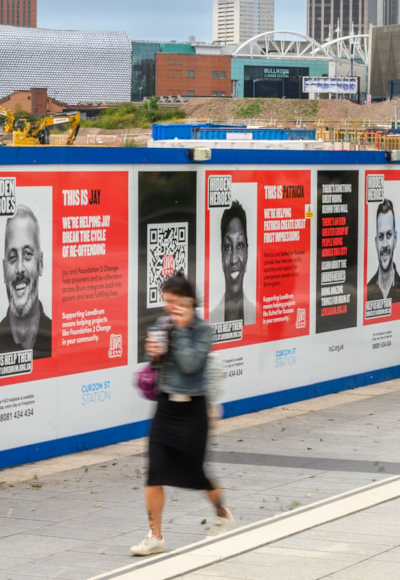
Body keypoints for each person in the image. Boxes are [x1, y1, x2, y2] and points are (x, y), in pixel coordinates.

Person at [130, 274, 234, 556]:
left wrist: (183, 329)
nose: (169, 308)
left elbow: (189, 365)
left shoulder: (200, 330)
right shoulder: (163, 325)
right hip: (165, 408)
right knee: (154, 471)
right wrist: (153, 354)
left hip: (192, 410)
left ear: (189, 302)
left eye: (175, 302)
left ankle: (222, 513)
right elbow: (159, 365)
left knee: (196, 472)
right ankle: (155, 535)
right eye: (167, 302)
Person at [0, 205, 52, 358]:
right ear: (4, 270)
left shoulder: (60, 339)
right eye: (12, 257)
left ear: (40, 264)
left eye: (28, 255)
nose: (20, 268)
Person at [209, 201, 255, 324]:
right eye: (228, 247)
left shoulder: (258, 316)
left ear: (247, 252)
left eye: (240, 245)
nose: (234, 259)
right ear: (221, 254)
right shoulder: (210, 320)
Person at [365, 200, 400, 303]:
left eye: (389, 235)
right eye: (381, 236)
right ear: (376, 242)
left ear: (395, 239)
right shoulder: (367, 291)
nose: (385, 244)